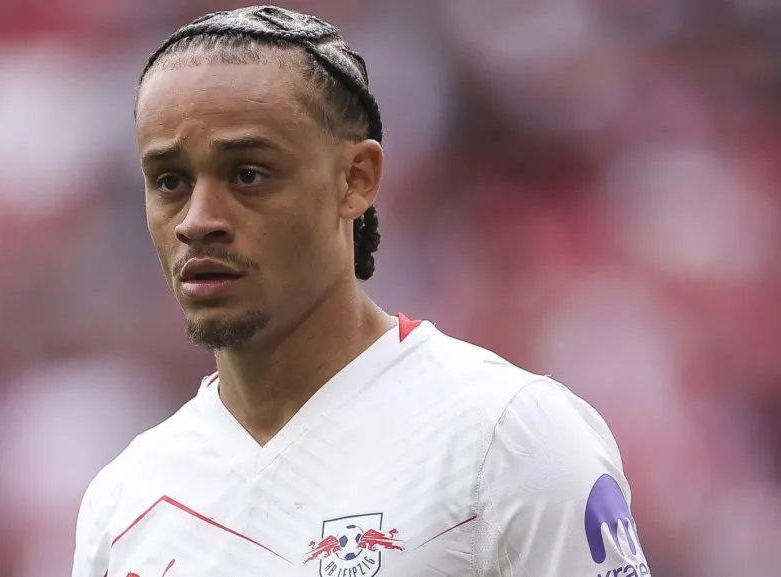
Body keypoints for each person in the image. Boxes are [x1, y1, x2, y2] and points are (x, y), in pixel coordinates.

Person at [72, 6, 651, 577]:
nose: (197, 220)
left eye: (248, 174)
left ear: (355, 181)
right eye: (170, 182)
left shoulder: (508, 438)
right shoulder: (124, 501)